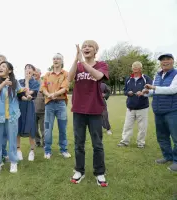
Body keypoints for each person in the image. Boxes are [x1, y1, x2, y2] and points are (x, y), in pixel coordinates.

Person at [68, 40, 109, 187]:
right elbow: (69, 78)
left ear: (95, 50)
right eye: (84, 46)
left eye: (90, 46)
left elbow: (98, 76)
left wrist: (83, 63)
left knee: (97, 143)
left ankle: (99, 172)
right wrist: (76, 59)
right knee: (79, 143)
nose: (86, 48)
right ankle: (79, 170)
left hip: (95, 109)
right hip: (78, 110)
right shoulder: (78, 65)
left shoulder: (101, 65)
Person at [0, 61, 25, 175]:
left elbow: (20, 95)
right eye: (0, 66)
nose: (0, 67)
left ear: (9, 70)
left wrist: (27, 97)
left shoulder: (15, 83)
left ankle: (14, 162)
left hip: (12, 116)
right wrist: (4, 83)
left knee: (12, 140)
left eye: (4, 66)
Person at [142, 53, 177, 172]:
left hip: (172, 111)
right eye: (162, 60)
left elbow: (173, 89)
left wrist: (154, 88)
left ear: (172, 61)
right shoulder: (157, 75)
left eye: (168, 59)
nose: (165, 62)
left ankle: (176, 161)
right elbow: (154, 91)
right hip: (158, 111)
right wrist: (146, 92)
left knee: (176, 137)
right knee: (162, 136)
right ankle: (167, 156)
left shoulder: (176, 74)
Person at [41, 53, 71, 159]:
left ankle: (63, 150)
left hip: (61, 104)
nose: (56, 60)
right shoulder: (47, 75)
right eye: (54, 58)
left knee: (62, 128)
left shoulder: (66, 74)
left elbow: (65, 88)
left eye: (58, 58)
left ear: (62, 61)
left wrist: (54, 94)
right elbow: (43, 87)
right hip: (49, 105)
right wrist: (48, 94)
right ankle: (47, 150)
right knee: (48, 129)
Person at [117, 61, 152, 148]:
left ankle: (141, 143)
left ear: (140, 69)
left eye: (137, 68)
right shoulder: (128, 79)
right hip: (130, 107)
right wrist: (128, 92)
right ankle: (125, 141)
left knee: (142, 127)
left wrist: (143, 92)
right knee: (127, 126)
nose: (135, 70)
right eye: (133, 68)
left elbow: (151, 90)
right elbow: (125, 91)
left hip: (142, 107)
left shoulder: (146, 78)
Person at [17, 64, 40, 161]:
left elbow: (28, 93)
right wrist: (25, 81)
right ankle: (18, 150)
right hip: (19, 107)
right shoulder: (19, 82)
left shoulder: (36, 83)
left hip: (30, 108)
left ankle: (32, 151)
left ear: (34, 72)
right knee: (17, 129)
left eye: (30, 68)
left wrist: (27, 81)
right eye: (26, 68)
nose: (28, 70)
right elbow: (19, 94)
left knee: (31, 129)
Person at [34, 68, 45, 147]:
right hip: (32, 111)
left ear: (40, 73)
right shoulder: (31, 83)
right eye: (34, 72)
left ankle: (45, 142)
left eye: (37, 72)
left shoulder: (44, 83)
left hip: (43, 111)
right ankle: (37, 142)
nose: (35, 74)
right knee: (34, 129)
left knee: (44, 128)